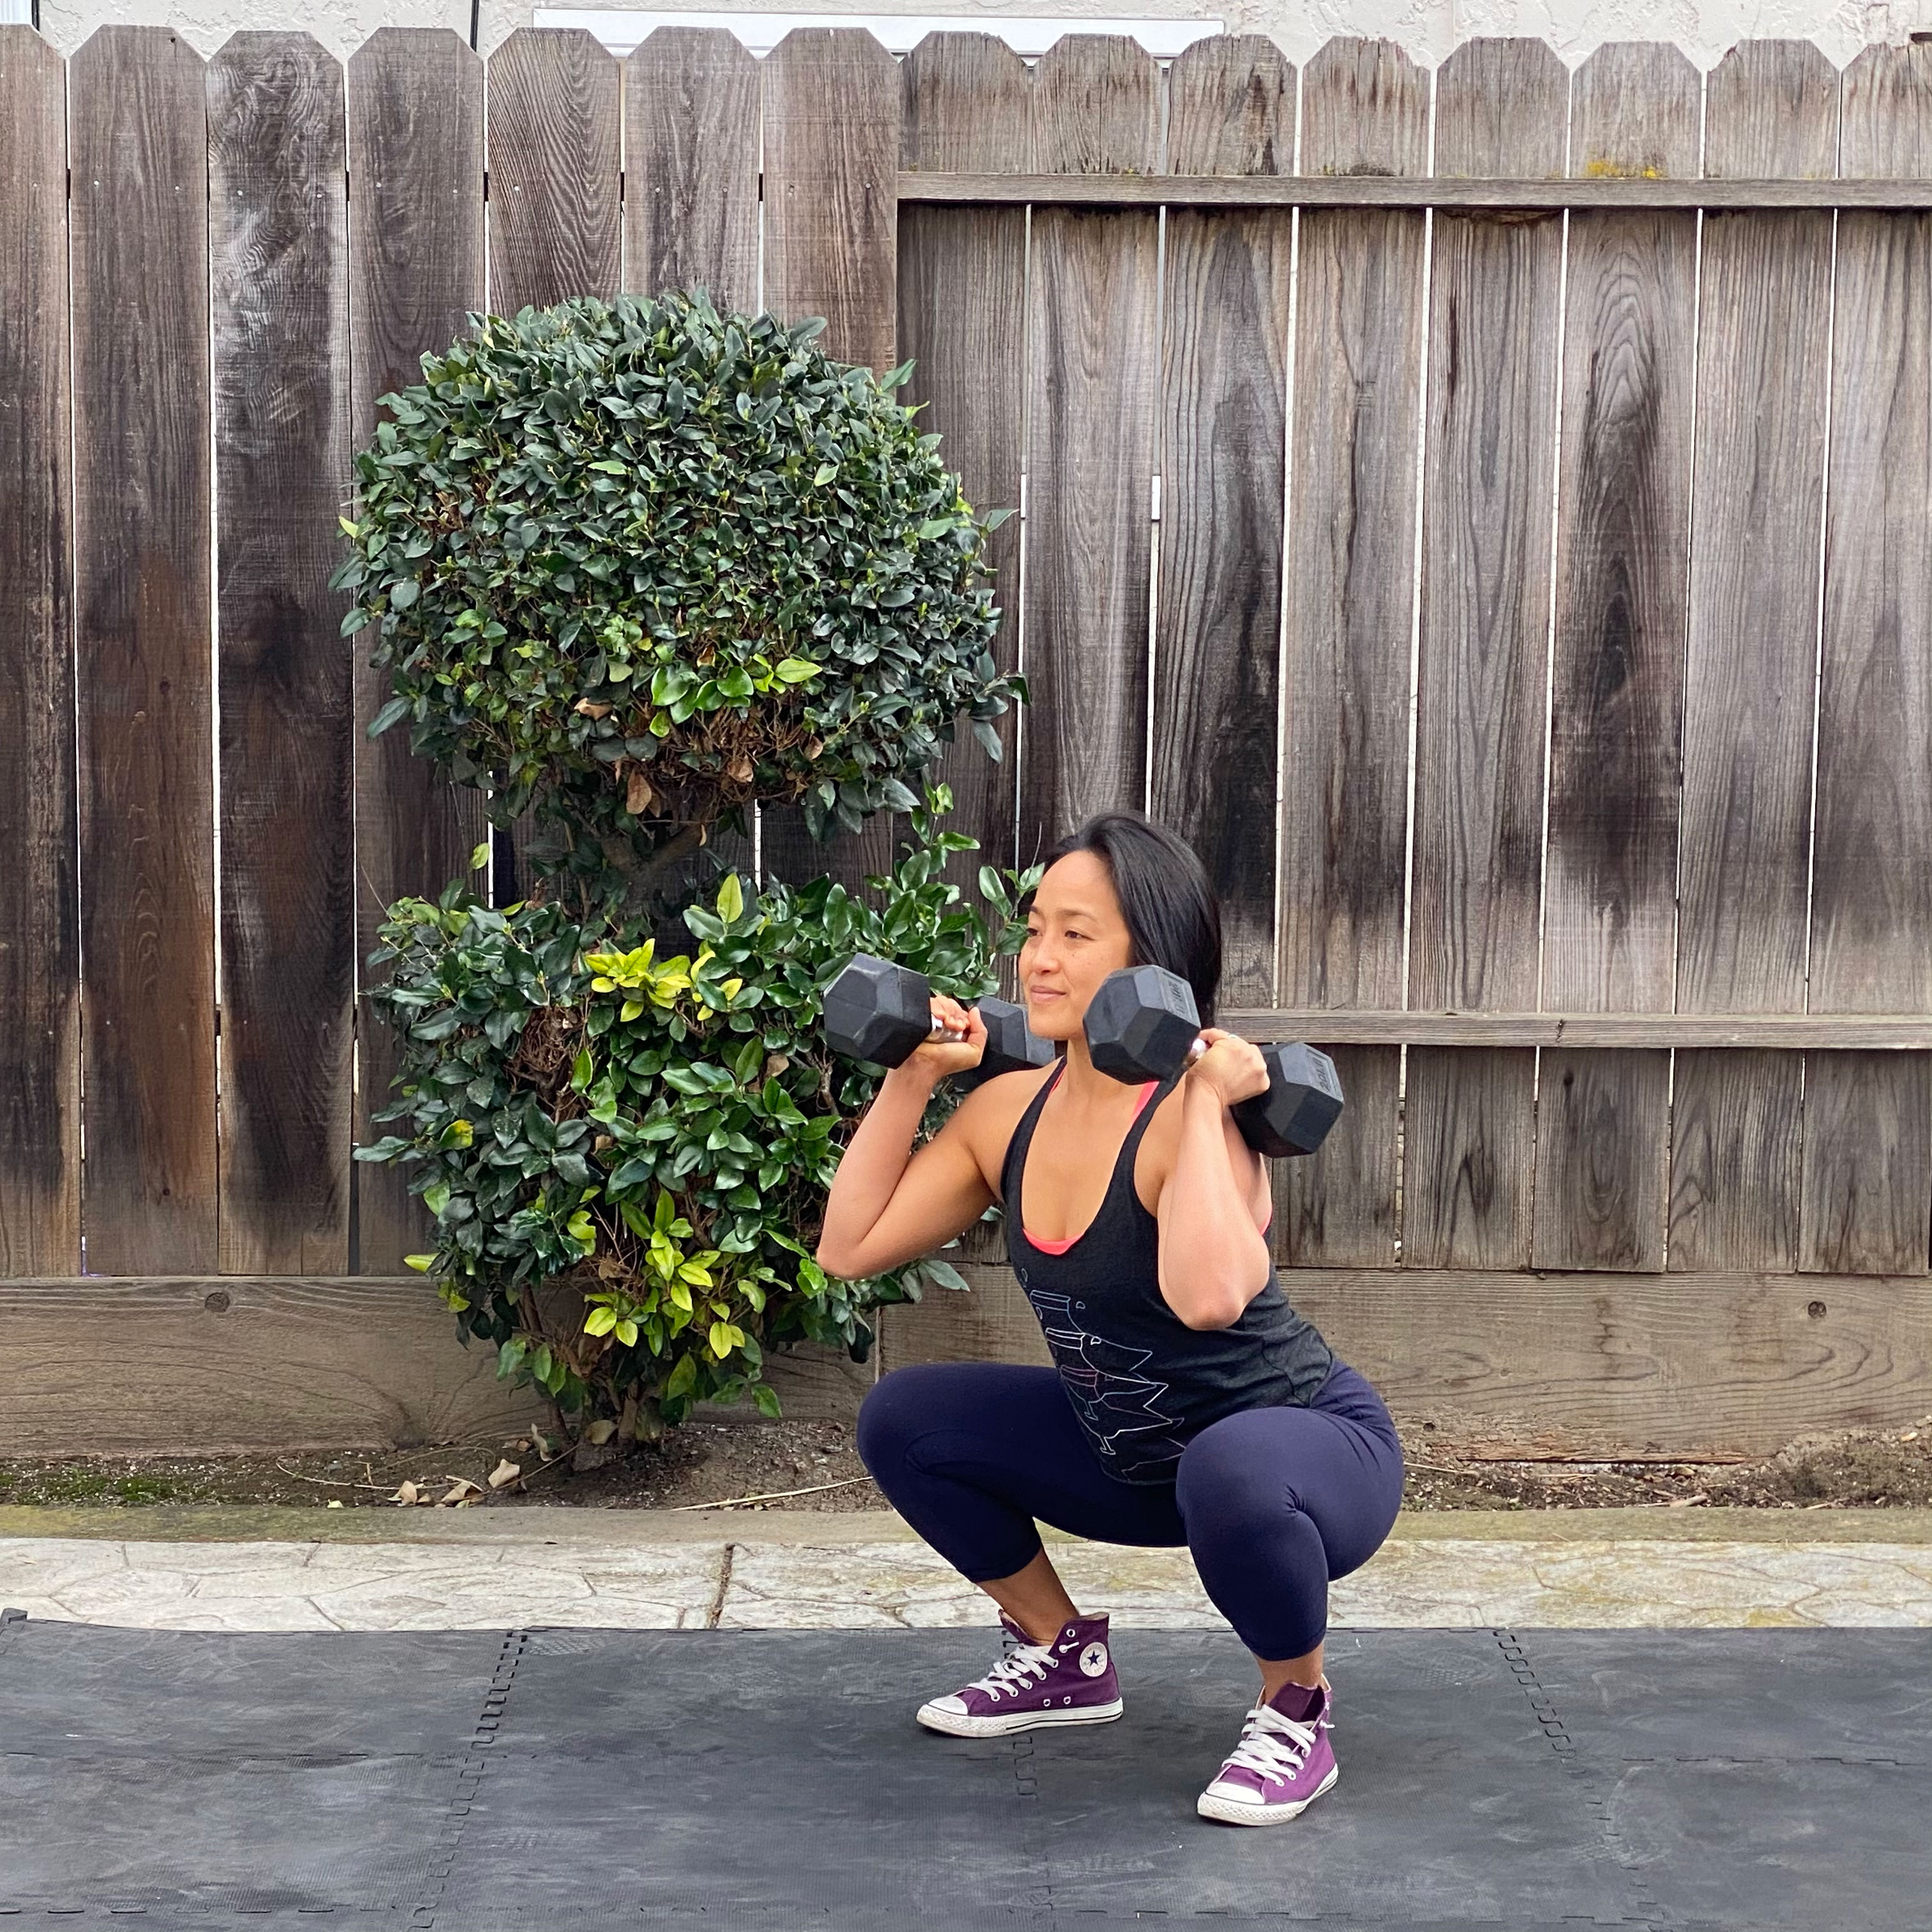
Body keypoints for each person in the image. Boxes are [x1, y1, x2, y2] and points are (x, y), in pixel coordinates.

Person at [817, 810, 1404, 1827]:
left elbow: (1210, 1297)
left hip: (1304, 1464)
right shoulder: (1008, 1115)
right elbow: (849, 1247)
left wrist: (1207, 1105)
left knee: (1232, 1464)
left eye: (1076, 935)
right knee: (906, 1417)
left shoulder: (1199, 1118)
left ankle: (1296, 1711)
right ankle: (1059, 1655)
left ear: (1151, 968)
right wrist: (914, 1076)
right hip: (1134, 1462)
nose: (1038, 959)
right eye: (1035, 928)